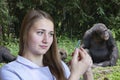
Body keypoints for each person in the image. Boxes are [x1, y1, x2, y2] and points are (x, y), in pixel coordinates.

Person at [0, 9, 93, 80]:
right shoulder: (10, 72)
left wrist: (86, 70)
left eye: (50, 34)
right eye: (40, 32)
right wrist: (75, 74)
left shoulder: (59, 66)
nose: (46, 40)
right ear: (25, 34)